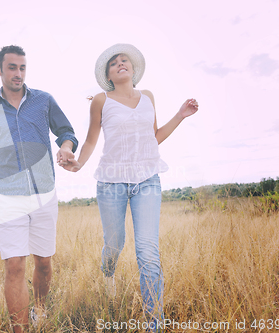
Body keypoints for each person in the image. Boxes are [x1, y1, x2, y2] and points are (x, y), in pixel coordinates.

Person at [62, 43, 199, 331]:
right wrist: (77, 165)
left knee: (148, 251)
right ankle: (108, 274)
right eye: (114, 63)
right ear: (109, 75)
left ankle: (154, 324)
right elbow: (90, 141)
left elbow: (154, 137)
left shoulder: (148, 97)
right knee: (114, 244)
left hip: (148, 180)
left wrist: (180, 115)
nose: (120, 63)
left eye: (125, 60)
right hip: (111, 182)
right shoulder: (101, 100)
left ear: (133, 69)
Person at [0, 45, 78, 332]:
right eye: (12, 67)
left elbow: (66, 132)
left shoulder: (43, 101)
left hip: (44, 194)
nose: (18, 73)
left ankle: (40, 310)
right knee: (14, 265)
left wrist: (66, 148)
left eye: (22, 67)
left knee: (43, 262)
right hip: (6, 197)